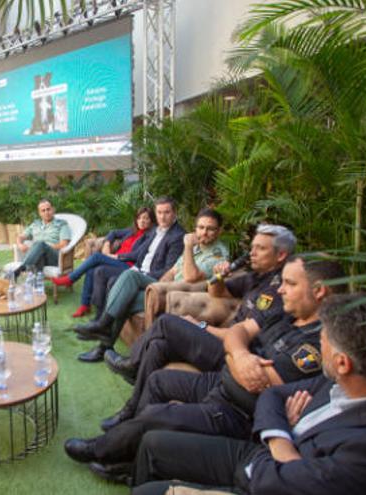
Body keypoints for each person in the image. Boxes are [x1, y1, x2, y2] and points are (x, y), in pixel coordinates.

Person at [129, 294, 366, 494]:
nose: (318, 342)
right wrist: (283, 437)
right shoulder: (353, 379)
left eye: (323, 339)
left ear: (343, 362)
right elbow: (274, 396)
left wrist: (282, 441)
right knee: (153, 444)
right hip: (265, 453)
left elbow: (273, 481)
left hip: (264, 476)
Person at [65, 256, 345, 482]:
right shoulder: (291, 314)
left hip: (237, 412)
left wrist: (237, 354)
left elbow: (254, 383)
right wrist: (241, 354)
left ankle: (102, 450)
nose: (280, 289)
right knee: (159, 380)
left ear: (319, 291)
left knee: (156, 415)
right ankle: (128, 450)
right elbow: (238, 332)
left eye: (290, 283)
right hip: (221, 383)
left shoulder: (319, 343)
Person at [104, 224, 296, 417]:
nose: (252, 253)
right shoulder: (256, 277)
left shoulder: (280, 290)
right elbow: (217, 292)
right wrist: (220, 276)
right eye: (252, 247)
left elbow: (240, 335)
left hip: (237, 357)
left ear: (280, 255)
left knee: (166, 322)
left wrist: (200, 326)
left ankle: (132, 364)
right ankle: (132, 412)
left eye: (260, 248)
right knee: (158, 346)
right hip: (225, 343)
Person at [73, 197, 186, 362]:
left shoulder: (178, 236)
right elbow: (142, 254)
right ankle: (103, 346)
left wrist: (139, 273)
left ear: (174, 213)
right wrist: (133, 265)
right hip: (140, 271)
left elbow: (168, 270)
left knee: (129, 276)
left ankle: (102, 324)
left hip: (155, 281)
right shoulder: (155, 230)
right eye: (159, 212)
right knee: (114, 282)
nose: (162, 216)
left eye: (167, 212)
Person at [52, 207, 154, 318]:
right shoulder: (132, 231)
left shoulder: (150, 236)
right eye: (139, 218)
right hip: (116, 261)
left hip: (128, 266)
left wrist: (115, 256)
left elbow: (136, 255)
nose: (142, 221)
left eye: (146, 218)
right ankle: (85, 305)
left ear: (151, 221)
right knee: (91, 269)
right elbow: (113, 232)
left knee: (96, 257)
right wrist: (106, 244)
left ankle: (70, 278)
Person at [10, 199, 71, 278]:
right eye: (43, 210)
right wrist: (20, 244)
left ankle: (22, 269)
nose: (46, 212)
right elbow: (21, 236)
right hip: (38, 255)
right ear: (40, 213)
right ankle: (36, 286)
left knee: (40, 244)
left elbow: (64, 244)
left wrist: (45, 247)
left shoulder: (62, 224)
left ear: (52, 210)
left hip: (54, 257)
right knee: (39, 255)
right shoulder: (35, 224)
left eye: (48, 209)